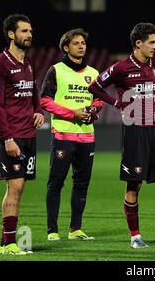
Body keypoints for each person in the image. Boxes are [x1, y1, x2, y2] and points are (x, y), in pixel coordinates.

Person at [88, 22, 155, 249]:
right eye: (151, 42)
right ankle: (135, 237)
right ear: (138, 44)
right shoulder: (121, 68)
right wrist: (117, 103)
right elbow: (94, 87)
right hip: (134, 131)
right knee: (134, 185)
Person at [0, 14, 45, 255]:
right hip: (10, 135)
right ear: (11, 34)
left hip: (28, 134)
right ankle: (8, 243)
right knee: (14, 187)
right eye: (23, 31)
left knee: (20, 187)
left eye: (30, 30)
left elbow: (33, 92)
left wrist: (39, 110)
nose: (29, 34)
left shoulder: (28, 64)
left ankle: (7, 242)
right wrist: (7, 138)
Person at [41, 28, 103, 241]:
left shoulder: (94, 74)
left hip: (87, 136)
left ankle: (75, 229)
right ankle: (52, 230)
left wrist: (92, 112)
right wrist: (72, 114)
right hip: (63, 135)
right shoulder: (56, 70)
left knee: (82, 184)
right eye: (76, 43)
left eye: (83, 43)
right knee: (56, 182)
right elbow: (45, 100)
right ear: (66, 48)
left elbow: (99, 100)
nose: (81, 46)